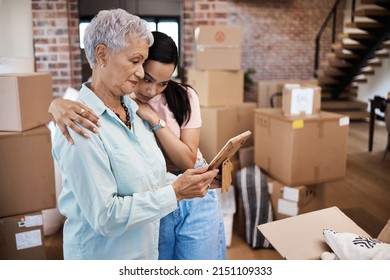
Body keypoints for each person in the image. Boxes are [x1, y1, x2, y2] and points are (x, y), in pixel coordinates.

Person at [50, 8, 218, 260]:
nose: (141, 74)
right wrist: (177, 192)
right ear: (102, 55)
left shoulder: (133, 111)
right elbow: (106, 217)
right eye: (135, 61)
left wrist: (190, 183)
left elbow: (150, 179)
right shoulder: (80, 123)